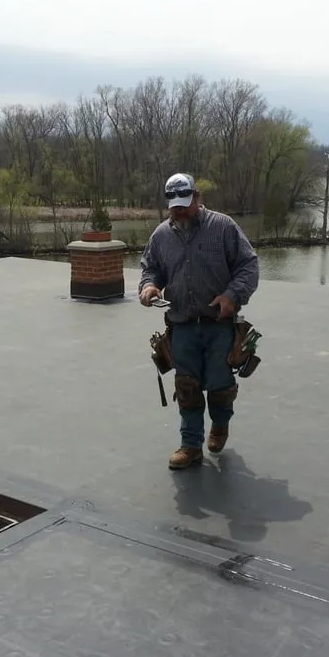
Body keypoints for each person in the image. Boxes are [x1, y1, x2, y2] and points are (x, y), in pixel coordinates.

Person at [139, 172, 260, 469]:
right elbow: (150, 268)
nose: (180, 210)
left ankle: (220, 425)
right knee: (187, 387)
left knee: (220, 386)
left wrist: (232, 296)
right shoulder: (161, 236)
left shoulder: (223, 227)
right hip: (181, 326)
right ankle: (190, 445)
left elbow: (249, 265)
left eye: (185, 203)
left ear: (197, 198)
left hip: (218, 324)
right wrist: (149, 286)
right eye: (174, 205)